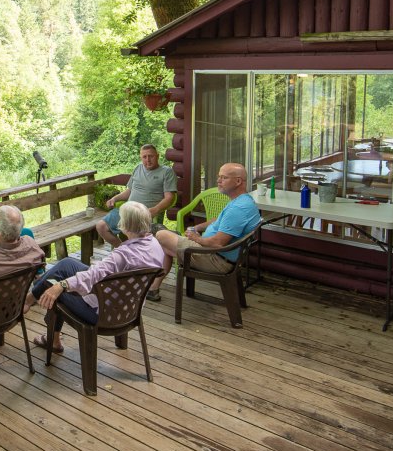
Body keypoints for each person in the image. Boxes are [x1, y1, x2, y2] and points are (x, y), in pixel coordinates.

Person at [27, 201, 164, 353]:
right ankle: (31, 298)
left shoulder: (122, 255)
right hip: (130, 308)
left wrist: (61, 285)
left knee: (53, 287)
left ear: (124, 225)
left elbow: (93, 275)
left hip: (103, 313)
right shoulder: (155, 245)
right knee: (67, 264)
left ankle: (53, 340)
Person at [146, 162, 261, 298]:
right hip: (217, 254)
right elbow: (218, 220)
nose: (218, 181)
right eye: (219, 177)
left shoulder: (238, 209)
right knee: (164, 245)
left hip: (215, 259)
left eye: (224, 178)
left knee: (160, 235)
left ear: (238, 181)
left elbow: (218, 244)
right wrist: (197, 228)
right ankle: (153, 288)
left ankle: (146, 280)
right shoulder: (243, 201)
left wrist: (196, 238)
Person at [96, 145, 178, 245]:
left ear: (157, 156)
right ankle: (124, 250)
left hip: (144, 214)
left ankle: (131, 252)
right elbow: (130, 190)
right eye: (144, 157)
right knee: (101, 226)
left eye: (151, 156)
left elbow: (170, 198)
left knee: (136, 237)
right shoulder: (138, 168)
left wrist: (154, 210)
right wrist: (115, 198)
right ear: (141, 158)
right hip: (126, 210)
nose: (148, 160)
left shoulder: (166, 172)